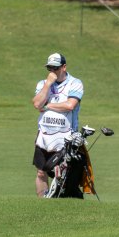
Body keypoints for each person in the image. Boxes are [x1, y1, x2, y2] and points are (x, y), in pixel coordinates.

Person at [31, 53, 84, 197]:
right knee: (41, 172)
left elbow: (70, 105)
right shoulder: (43, 84)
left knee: (61, 173)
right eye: (50, 68)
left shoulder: (75, 83)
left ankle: (60, 202)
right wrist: (48, 84)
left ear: (64, 67)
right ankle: (43, 203)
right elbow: (37, 103)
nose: (52, 71)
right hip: (44, 135)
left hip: (66, 136)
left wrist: (47, 106)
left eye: (55, 68)